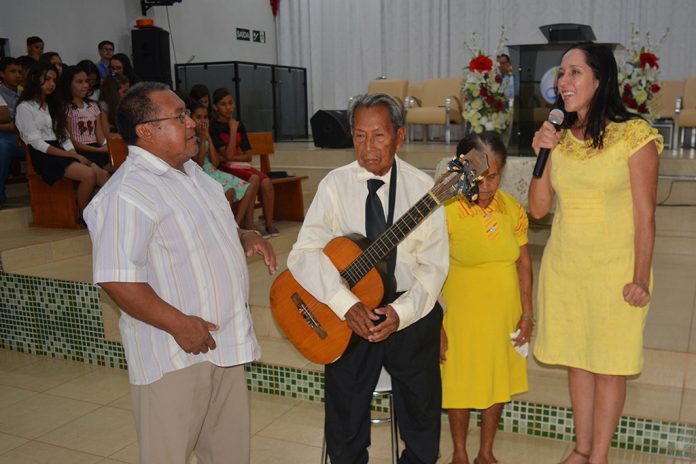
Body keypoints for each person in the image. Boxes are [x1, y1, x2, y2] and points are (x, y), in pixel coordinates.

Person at [84, 81, 277, 464]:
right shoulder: (128, 193)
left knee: (228, 455)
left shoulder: (193, 174)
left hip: (222, 344)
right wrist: (180, 325)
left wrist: (243, 235)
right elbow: (116, 277)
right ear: (146, 131)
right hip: (173, 355)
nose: (192, 123)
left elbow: (205, 228)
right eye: (179, 117)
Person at [286, 93, 449, 464]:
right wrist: (345, 304)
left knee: (422, 412)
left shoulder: (424, 189)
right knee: (344, 416)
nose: (368, 147)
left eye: (378, 136)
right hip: (347, 309)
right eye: (360, 136)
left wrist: (400, 314)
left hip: (408, 308)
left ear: (400, 136)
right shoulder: (334, 185)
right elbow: (303, 253)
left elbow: (433, 267)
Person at [529, 42, 662, 464]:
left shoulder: (634, 135)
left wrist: (640, 276)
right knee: (578, 361)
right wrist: (542, 153)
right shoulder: (559, 138)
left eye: (574, 72)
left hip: (616, 270)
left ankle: (599, 456)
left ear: (600, 80)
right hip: (567, 267)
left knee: (608, 364)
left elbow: (645, 215)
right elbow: (538, 209)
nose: (563, 81)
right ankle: (582, 448)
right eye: (561, 73)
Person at [440, 133, 532, 464]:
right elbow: (427, 270)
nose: (486, 185)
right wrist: (436, 323)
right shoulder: (447, 209)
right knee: (460, 383)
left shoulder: (512, 209)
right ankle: (460, 453)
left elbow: (524, 264)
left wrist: (527, 314)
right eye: (478, 177)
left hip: (503, 314)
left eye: (493, 176)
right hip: (460, 315)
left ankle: (486, 452)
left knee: (497, 380)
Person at [15, 62, 107, 215]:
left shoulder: (53, 105)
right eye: (47, 79)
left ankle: (103, 213)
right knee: (89, 175)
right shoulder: (24, 107)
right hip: (43, 155)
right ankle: (85, 215)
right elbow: (37, 143)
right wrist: (70, 155)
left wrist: (72, 153)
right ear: (34, 78)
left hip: (60, 149)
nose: (51, 84)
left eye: (54, 80)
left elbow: (63, 136)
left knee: (102, 174)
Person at [210, 88, 278, 237]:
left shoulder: (239, 125)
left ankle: (269, 224)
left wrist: (231, 157)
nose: (228, 108)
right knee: (253, 179)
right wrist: (233, 131)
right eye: (223, 104)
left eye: (230, 103)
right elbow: (227, 155)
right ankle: (248, 223)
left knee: (266, 182)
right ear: (215, 107)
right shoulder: (213, 126)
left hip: (240, 165)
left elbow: (248, 155)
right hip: (224, 168)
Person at [189, 100, 259, 229]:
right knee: (230, 191)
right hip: (202, 174)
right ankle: (227, 227)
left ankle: (236, 225)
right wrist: (203, 139)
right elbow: (199, 164)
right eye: (198, 117)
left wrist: (208, 138)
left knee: (248, 186)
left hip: (213, 171)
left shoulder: (205, 136)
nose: (203, 121)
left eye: (205, 117)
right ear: (190, 118)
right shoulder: (190, 139)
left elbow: (215, 162)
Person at [59, 65, 112, 177]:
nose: (85, 85)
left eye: (86, 81)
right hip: (81, 150)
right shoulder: (66, 108)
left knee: (120, 160)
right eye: (79, 82)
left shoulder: (93, 106)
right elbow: (72, 141)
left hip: (96, 148)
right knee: (110, 169)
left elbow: (100, 137)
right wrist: (99, 150)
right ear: (68, 84)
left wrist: (107, 146)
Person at [0, 57, 25, 207]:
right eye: (13, 71)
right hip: (6, 138)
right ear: (2, 73)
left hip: (25, 137)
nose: (17, 75)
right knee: (2, 146)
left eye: (20, 72)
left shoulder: (25, 93)